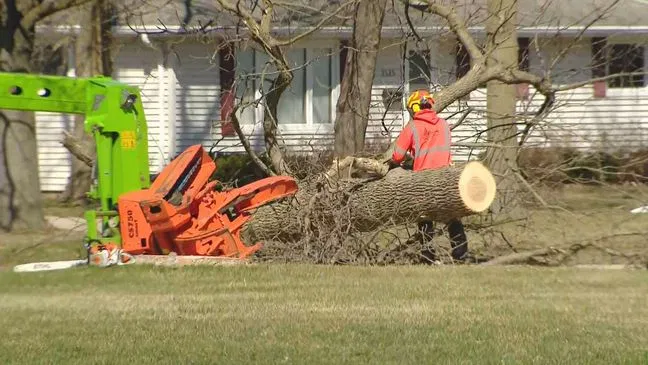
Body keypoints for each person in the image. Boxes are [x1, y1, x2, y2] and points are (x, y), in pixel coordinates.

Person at [390, 89, 469, 263]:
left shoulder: (413, 127)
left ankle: (427, 257)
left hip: (423, 180)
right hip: (445, 179)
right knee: (453, 218)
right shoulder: (443, 125)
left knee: (424, 219)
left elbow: (397, 156)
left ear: (415, 107)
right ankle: (461, 255)